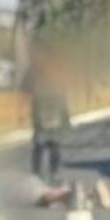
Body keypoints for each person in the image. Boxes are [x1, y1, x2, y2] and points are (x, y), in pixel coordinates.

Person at [19, 46, 72, 183]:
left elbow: (65, 88)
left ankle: (47, 174)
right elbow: (25, 94)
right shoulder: (36, 71)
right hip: (45, 113)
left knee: (47, 145)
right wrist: (22, 113)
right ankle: (44, 174)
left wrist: (22, 113)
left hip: (51, 112)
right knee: (46, 145)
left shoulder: (42, 70)